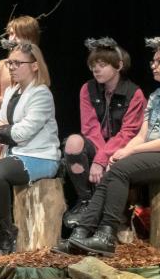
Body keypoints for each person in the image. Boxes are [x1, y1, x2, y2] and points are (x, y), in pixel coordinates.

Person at [66, 37, 160, 257]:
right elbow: (142, 134)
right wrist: (121, 151)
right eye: (153, 61)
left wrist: (132, 150)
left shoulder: (139, 93)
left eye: (159, 61)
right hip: (153, 152)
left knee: (119, 170)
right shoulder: (156, 96)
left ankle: (107, 233)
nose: (153, 65)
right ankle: (80, 232)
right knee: (116, 164)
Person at [0, 41, 59, 256]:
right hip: (14, 156)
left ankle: (7, 233)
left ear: (35, 66)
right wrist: (3, 131)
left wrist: (3, 131)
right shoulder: (10, 91)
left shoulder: (41, 94)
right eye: (10, 63)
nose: (11, 67)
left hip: (40, 158)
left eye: (18, 63)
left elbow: (21, 133)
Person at [61, 38, 146, 228]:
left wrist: (102, 158)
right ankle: (86, 202)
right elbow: (90, 128)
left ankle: (116, 216)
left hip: (124, 147)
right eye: (93, 65)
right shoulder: (87, 89)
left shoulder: (134, 93)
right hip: (98, 144)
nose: (96, 70)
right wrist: (100, 155)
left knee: (114, 164)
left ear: (119, 65)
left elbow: (129, 132)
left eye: (102, 65)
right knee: (73, 142)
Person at [0, 16, 41, 169]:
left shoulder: (34, 66)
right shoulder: (2, 65)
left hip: (20, 128)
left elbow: (30, 100)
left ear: (28, 36)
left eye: (16, 34)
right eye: (10, 34)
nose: (11, 38)